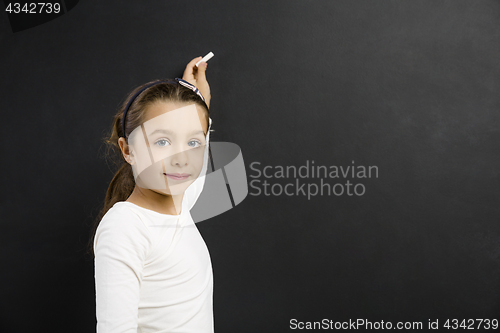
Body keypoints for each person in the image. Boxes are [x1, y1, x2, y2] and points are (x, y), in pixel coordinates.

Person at [88, 56, 214, 332]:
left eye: (192, 142)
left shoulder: (182, 204)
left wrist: (197, 97)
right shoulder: (125, 227)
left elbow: (199, 153)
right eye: (162, 141)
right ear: (128, 150)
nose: (181, 159)